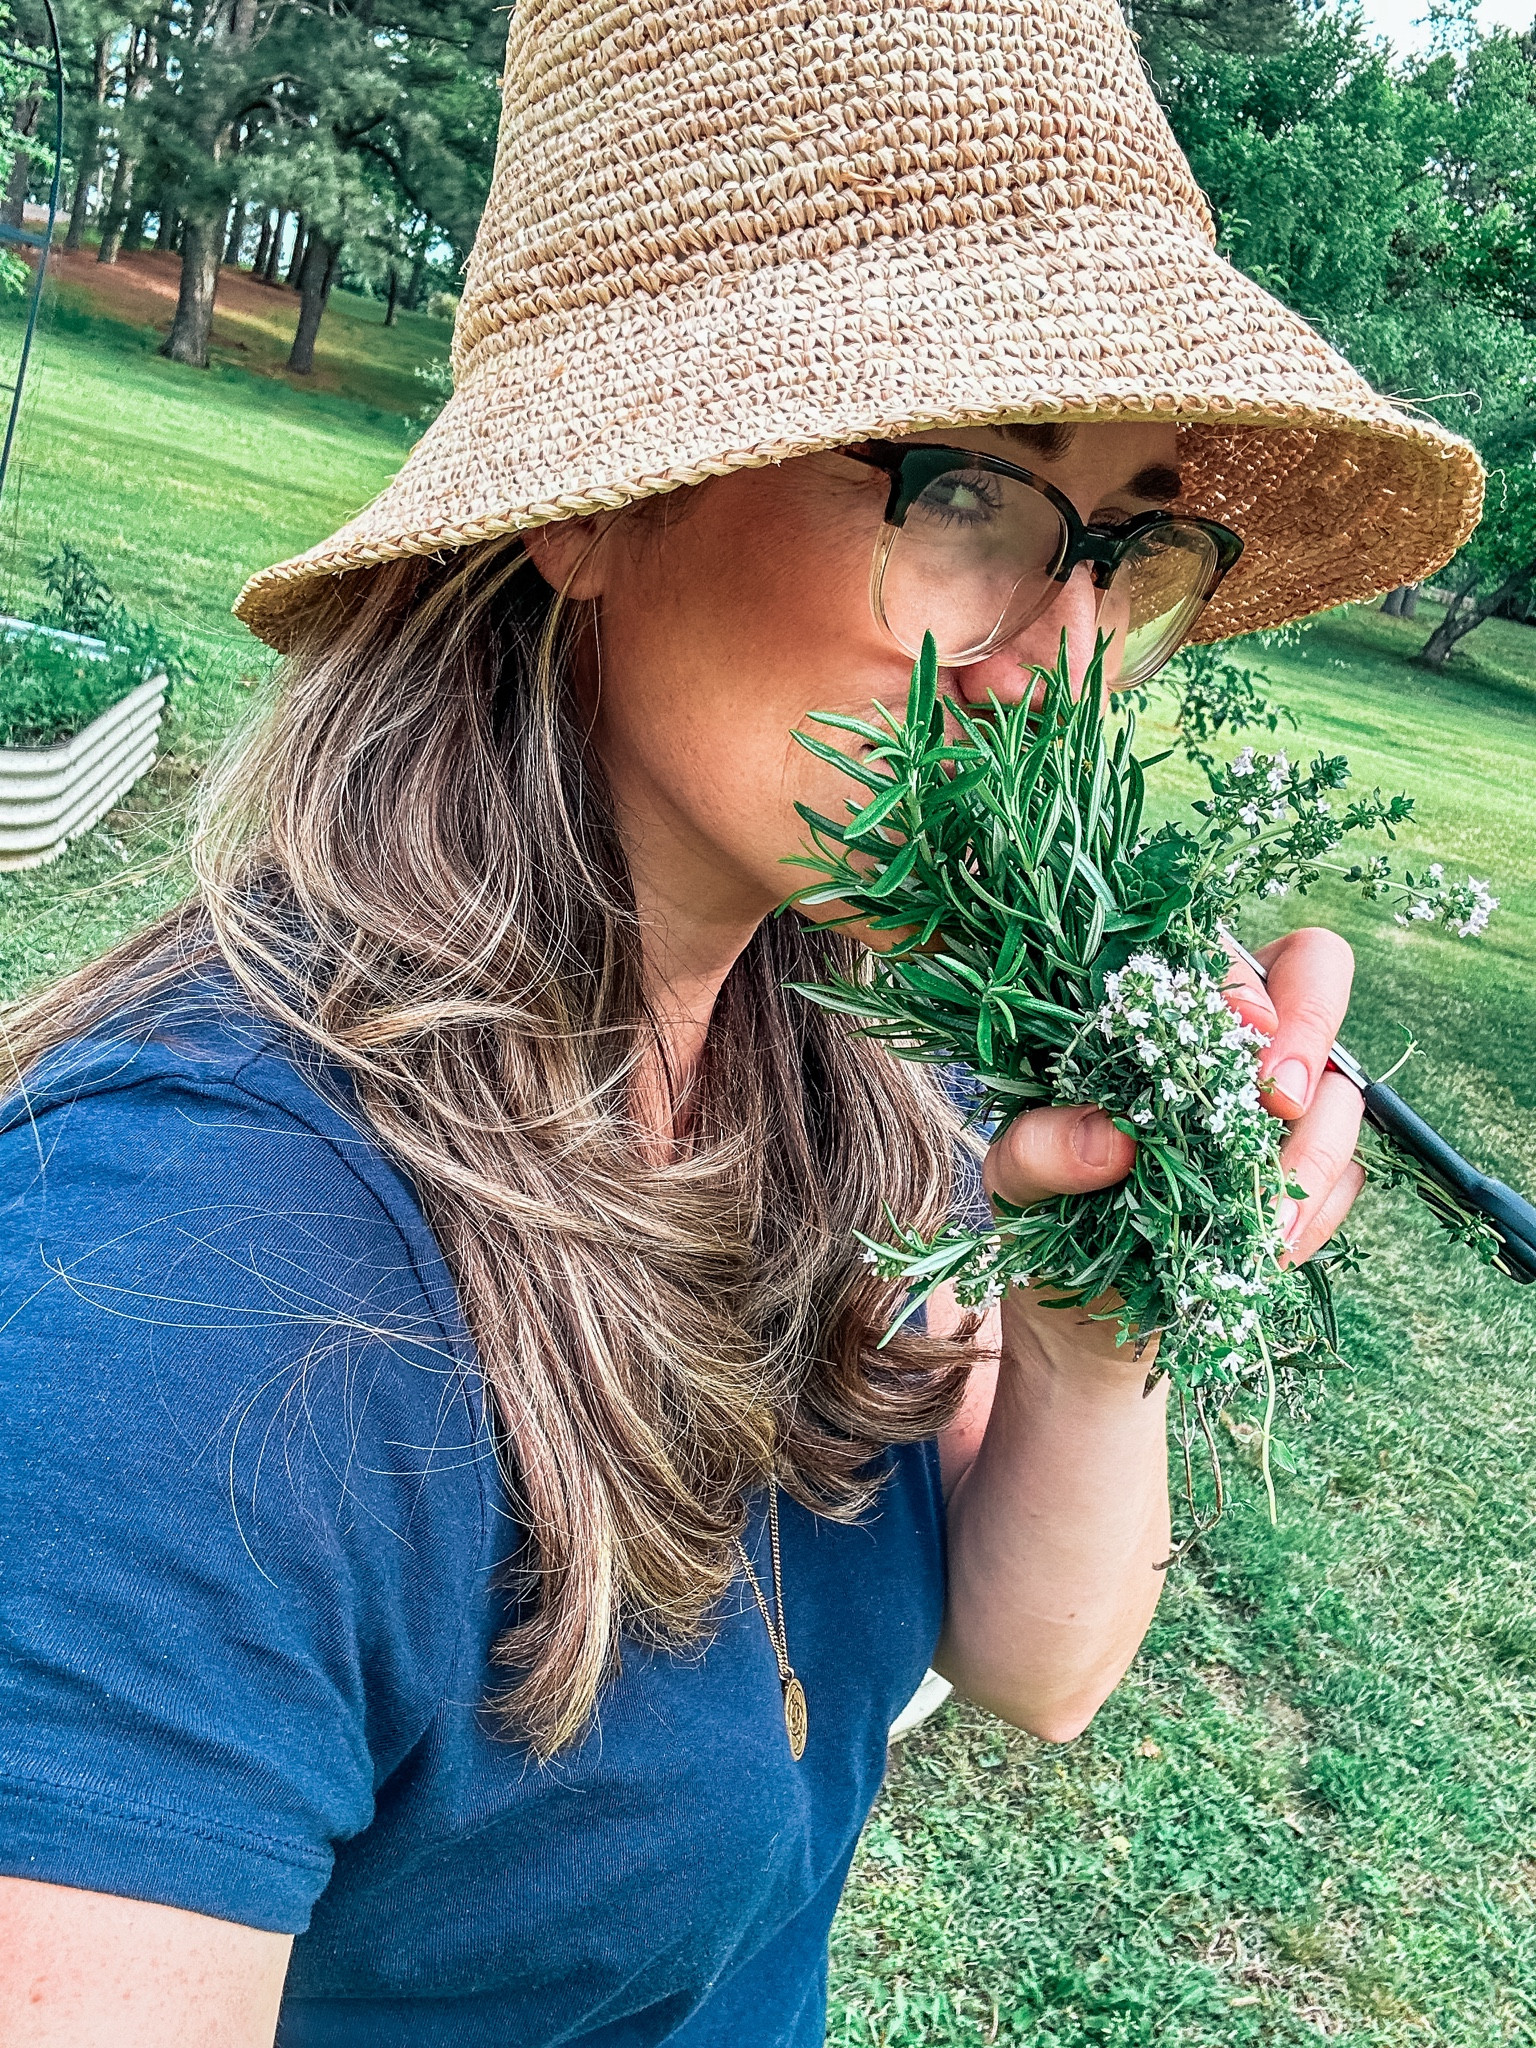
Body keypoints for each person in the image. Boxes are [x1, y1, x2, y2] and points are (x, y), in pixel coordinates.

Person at [0, 0, 1481, 2042]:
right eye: (968, 489)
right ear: (591, 498)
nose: (1058, 666)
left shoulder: (843, 1051)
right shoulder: (187, 1292)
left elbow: (1036, 1663)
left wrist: (1102, 1299)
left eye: (1128, 542)